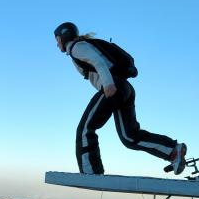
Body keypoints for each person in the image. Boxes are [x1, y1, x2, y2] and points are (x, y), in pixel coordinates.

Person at [54, 22, 187, 175]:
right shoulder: (80, 46)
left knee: (85, 129)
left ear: (65, 36)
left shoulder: (76, 47)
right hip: (125, 88)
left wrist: (108, 84)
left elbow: (98, 61)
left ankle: (90, 172)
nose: (57, 44)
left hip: (113, 87)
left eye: (57, 39)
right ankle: (173, 151)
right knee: (129, 136)